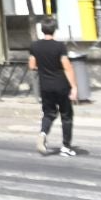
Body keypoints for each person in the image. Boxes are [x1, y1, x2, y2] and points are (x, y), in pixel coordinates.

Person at [28, 19, 78, 157]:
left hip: (45, 86)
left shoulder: (35, 46)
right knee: (66, 115)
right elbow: (67, 68)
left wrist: (43, 68)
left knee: (49, 113)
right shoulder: (60, 47)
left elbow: (32, 66)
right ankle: (66, 147)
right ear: (54, 30)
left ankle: (43, 133)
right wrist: (74, 87)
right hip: (61, 85)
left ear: (42, 30)